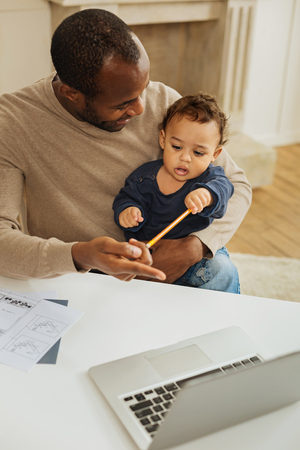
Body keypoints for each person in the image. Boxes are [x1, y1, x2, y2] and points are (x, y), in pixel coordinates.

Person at [0, 9, 251, 288]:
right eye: (123, 104)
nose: (142, 108)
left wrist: (197, 245)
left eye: (143, 89)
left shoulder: (164, 101)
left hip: (168, 264)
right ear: (71, 94)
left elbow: (236, 184)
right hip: (79, 279)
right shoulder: (12, 122)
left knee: (220, 270)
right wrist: (79, 255)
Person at [113, 93, 235, 288]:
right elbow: (126, 198)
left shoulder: (211, 178)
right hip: (150, 254)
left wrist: (208, 195)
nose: (185, 157)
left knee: (223, 269)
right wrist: (128, 212)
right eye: (177, 146)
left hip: (197, 260)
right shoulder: (144, 177)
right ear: (163, 139)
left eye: (198, 153)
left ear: (215, 154)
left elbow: (223, 189)